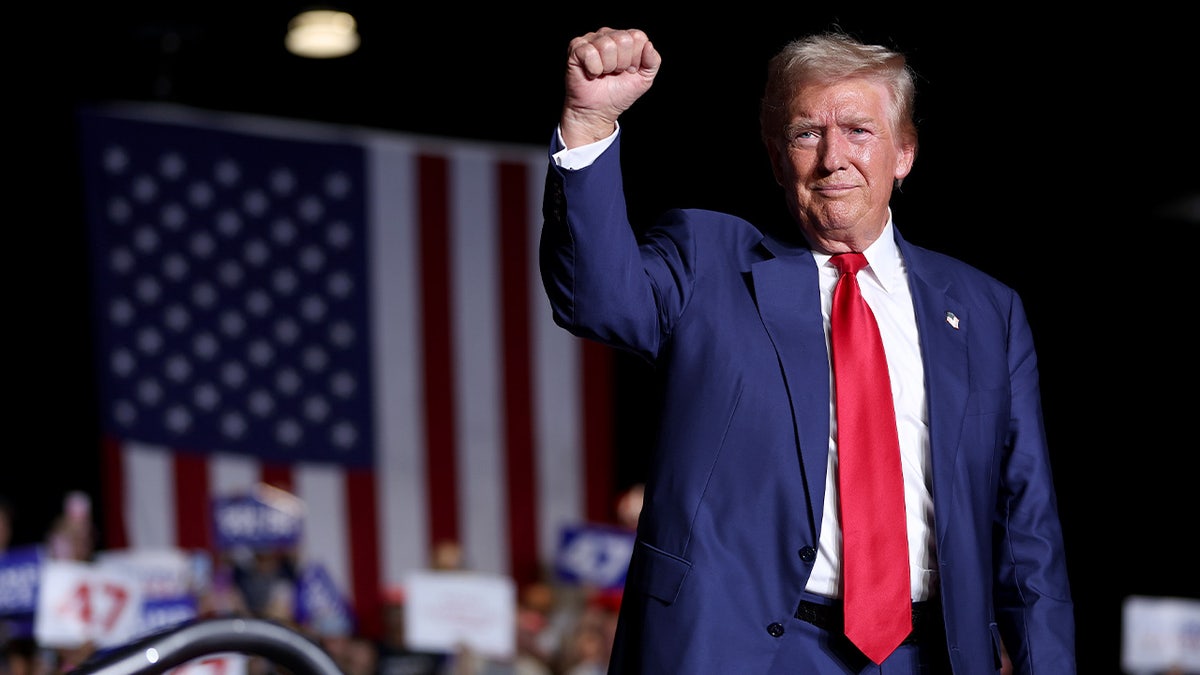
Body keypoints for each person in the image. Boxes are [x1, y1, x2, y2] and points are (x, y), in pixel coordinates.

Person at [538, 27, 1075, 674]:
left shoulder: (988, 310)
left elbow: (1028, 533)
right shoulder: (708, 261)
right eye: (805, 134)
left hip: (928, 654)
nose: (832, 157)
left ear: (904, 152)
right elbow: (594, 298)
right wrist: (590, 120)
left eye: (858, 130)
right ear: (775, 156)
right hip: (739, 649)